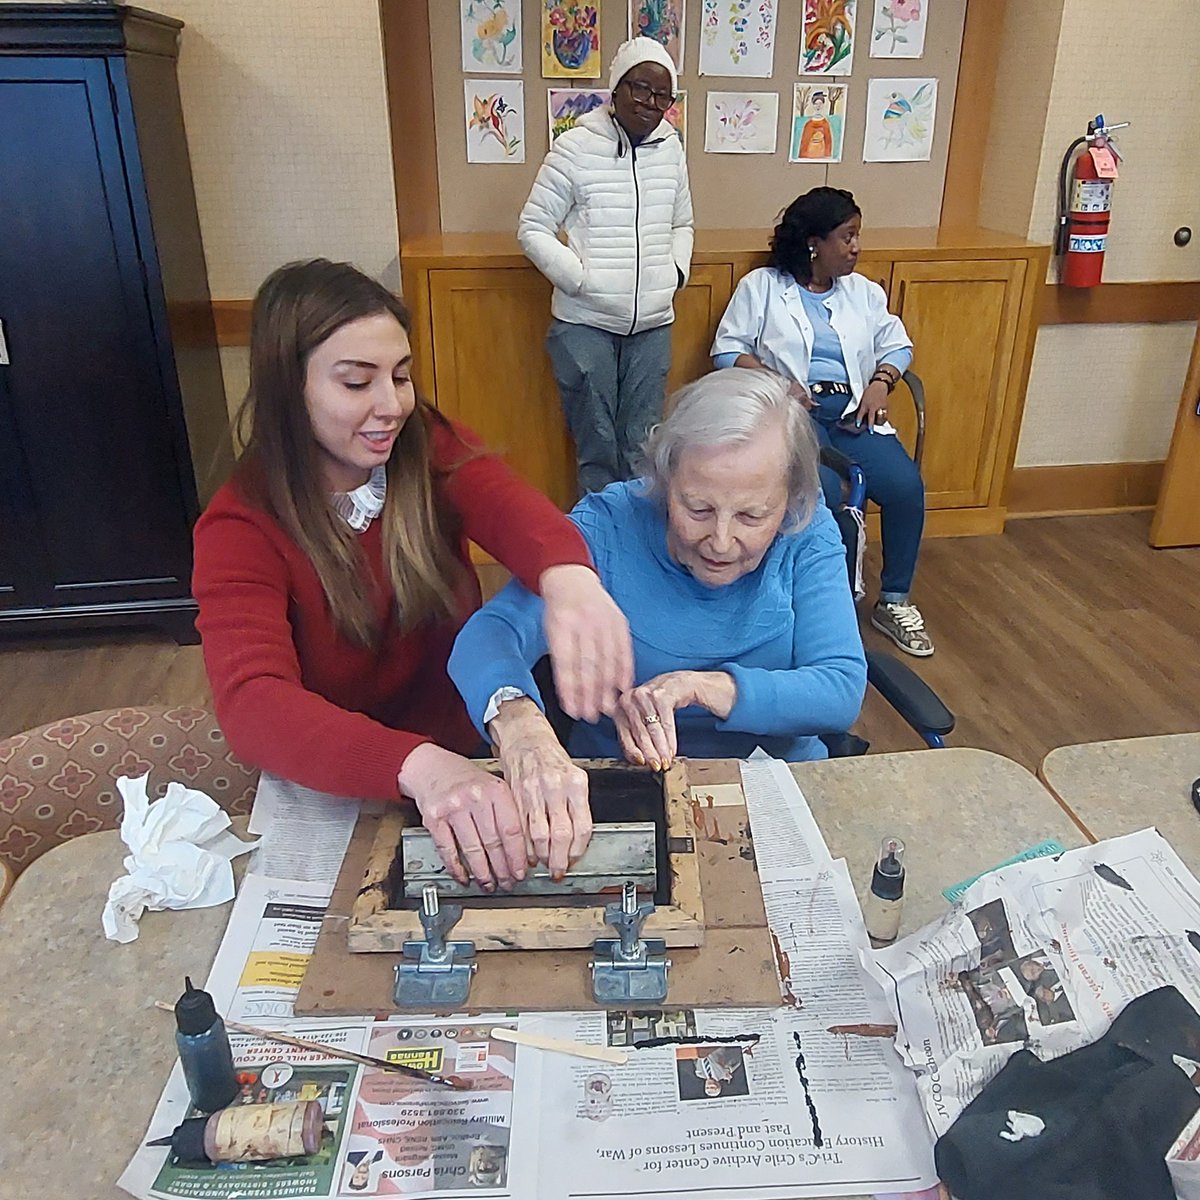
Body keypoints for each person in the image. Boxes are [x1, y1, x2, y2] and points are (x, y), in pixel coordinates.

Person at [192, 259, 633, 889]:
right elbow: (254, 704)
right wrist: (419, 767)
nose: (391, 405)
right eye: (355, 382)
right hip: (345, 779)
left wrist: (570, 580)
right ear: (289, 388)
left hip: (466, 755)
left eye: (400, 377)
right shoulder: (239, 527)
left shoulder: (425, 445)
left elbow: (513, 510)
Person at [448, 368, 867, 825]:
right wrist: (520, 725)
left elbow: (839, 688)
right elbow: (491, 635)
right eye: (698, 509)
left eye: (751, 516)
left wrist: (701, 687)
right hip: (621, 786)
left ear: (790, 500)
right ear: (664, 480)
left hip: (775, 786)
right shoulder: (607, 527)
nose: (721, 542)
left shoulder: (807, 530)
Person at [710, 187, 934, 657]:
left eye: (857, 236)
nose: (856, 247)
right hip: (793, 417)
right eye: (847, 237)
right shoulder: (762, 288)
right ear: (815, 242)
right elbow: (727, 350)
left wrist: (882, 381)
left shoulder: (864, 293)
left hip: (854, 413)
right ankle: (822, 606)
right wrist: (777, 383)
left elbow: (899, 344)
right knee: (826, 496)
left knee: (904, 487)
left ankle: (893, 601)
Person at [518, 35, 694, 495]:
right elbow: (533, 227)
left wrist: (674, 273)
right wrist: (579, 280)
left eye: (662, 95)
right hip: (585, 325)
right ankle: (597, 555)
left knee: (645, 447)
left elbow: (684, 224)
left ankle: (637, 553)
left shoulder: (672, 150)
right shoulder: (574, 147)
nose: (650, 103)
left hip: (652, 326)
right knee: (596, 449)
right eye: (640, 88)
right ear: (615, 90)